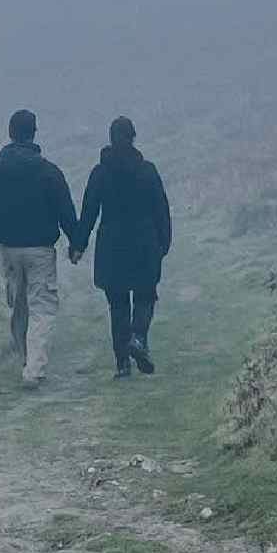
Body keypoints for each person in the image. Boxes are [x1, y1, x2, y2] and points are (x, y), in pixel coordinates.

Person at [0, 109, 78, 387]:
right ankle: (34, 369)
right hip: (40, 250)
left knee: (19, 306)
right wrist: (76, 243)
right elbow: (66, 211)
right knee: (41, 306)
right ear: (34, 133)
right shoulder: (48, 171)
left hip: (7, 249)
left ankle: (25, 359)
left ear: (10, 133)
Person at [72, 117, 172, 378]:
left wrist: (78, 245)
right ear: (133, 137)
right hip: (144, 244)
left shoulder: (100, 172)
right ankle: (138, 338)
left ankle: (122, 364)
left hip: (112, 246)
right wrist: (164, 242)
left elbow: (89, 213)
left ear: (111, 137)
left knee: (117, 305)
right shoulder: (147, 171)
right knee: (145, 296)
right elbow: (161, 209)